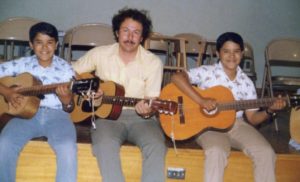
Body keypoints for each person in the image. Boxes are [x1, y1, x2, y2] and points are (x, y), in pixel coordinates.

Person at [171, 32, 286, 182]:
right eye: (226, 51)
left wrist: (270, 111)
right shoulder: (207, 72)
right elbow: (176, 77)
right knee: (216, 151)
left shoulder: (246, 82)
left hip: (237, 125)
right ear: (218, 53)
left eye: (236, 51)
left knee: (266, 152)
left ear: (242, 54)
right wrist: (201, 101)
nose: (232, 56)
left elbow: (253, 119)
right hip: (208, 126)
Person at [72, 8, 166, 182]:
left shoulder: (153, 62)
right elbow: (71, 72)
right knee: (104, 144)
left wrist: (148, 110)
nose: (130, 37)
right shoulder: (100, 54)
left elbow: (152, 100)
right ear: (117, 32)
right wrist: (88, 88)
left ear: (142, 37)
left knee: (156, 146)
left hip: (142, 119)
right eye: (126, 31)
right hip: (107, 117)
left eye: (136, 32)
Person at [0, 22, 77, 182]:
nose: (44, 48)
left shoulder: (66, 69)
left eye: (49, 43)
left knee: (68, 148)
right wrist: (7, 91)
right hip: (24, 117)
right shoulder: (22, 64)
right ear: (31, 44)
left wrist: (66, 100)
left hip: (58, 116)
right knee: (4, 144)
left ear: (56, 45)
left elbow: (70, 108)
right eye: (39, 42)